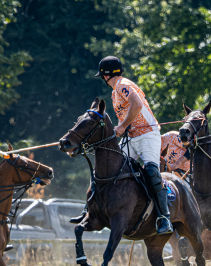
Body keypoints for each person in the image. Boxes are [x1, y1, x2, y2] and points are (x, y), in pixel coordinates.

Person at [71, 56, 173, 235]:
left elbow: (137, 104)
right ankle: (90, 209)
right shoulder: (114, 92)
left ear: (106, 75)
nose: (103, 79)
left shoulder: (122, 85)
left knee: (151, 171)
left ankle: (164, 217)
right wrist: (123, 129)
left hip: (148, 135)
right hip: (131, 138)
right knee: (106, 167)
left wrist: (123, 125)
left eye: (102, 75)